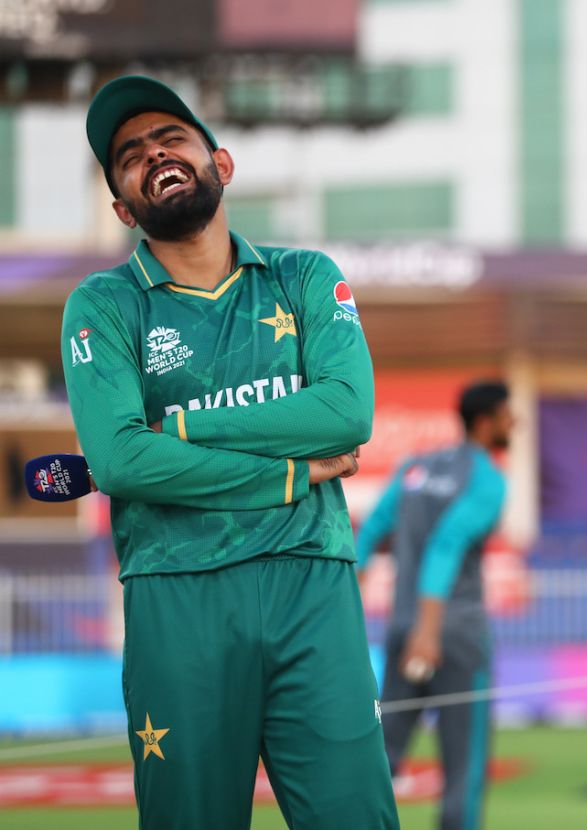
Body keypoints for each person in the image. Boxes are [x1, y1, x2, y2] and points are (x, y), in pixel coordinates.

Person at [61, 75, 399, 829]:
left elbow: (346, 412)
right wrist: (287, 471)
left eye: (170, 138)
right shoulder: (104, 304)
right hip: (177, 592)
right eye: (130, 155)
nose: (153, 154)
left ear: (222, 163)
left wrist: (174, 433)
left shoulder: (304, 277)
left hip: (310, 581)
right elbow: (117, 465)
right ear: (122, 206)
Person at [356, 379, 513, 830]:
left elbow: (369, 534)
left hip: (405, 627)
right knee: (464, 766)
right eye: (507, 415)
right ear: (486, 423)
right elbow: (447, 544)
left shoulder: (415, 468)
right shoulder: (487, 479)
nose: (514, 423)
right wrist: (431, 631)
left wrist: (349, 607)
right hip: (455, 633)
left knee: (381, 759)